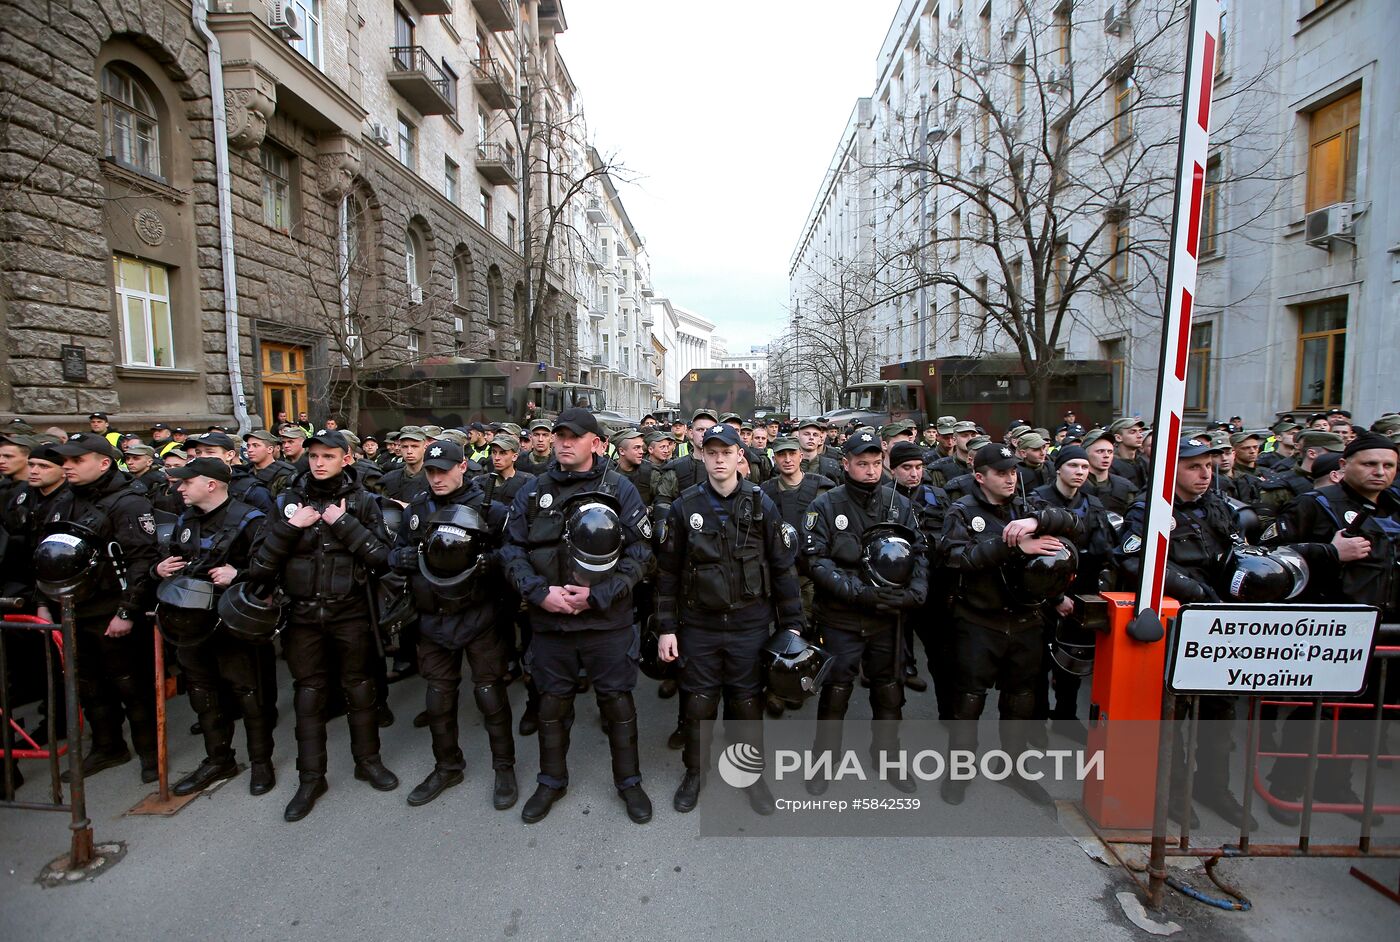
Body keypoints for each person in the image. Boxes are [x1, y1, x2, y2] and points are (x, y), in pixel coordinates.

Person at [499, 408, 654, 824]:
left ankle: (629, 782)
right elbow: (511, 549)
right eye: (560, 435)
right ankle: (551, 781)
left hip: (606, 621)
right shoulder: (533, 491)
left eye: (574, 436)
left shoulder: (619, 489)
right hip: (552, 622)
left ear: (596, 443)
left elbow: (640, 554)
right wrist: (538, 593)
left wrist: (599, 596)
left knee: (617, 703)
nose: (564, 442)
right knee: (552, 704)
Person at [247, 430, 397, 822]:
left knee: (360, 689)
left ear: (346, 458)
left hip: (350, 613)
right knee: (309, 695)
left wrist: (344, 523)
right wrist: (291, 526)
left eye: (328, 456)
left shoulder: (363, 501)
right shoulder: (287, 501)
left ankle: (368, 761)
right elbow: (260, 564)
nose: (318, 463)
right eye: (313, 456)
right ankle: (311, 778)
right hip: (301, 616)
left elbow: (384, 558)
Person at [655, 424, 803, 814]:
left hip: (750, 625)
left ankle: (750, 777)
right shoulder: (685, 506)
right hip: (699, 625)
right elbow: (668, 573)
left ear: (741, 455)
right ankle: (694, 773)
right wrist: (666, 628)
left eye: (727, 452)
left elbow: (783, 567)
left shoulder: (760, 503)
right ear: (701, 455)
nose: (719, 459)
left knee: (746, 706)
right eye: (712, 452)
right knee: (698, 705)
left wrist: (792, 627)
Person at [1262, 432, 1398, 825]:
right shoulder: (1316, 505)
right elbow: (1271, 555)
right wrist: (1329, 553)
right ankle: (1287, 785)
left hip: (1385, 632)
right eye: (1369, 464)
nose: (1379, 472)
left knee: (1366, 716)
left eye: (1388, 465)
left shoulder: (1395, 508)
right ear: (1344, 467)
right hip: (1331, 631)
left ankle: (1337, 783)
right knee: (1316, 714)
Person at [940, 442, 1083, 806]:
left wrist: (1037, 522)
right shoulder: (961, 510)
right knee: (969, 700)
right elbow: (959, 559)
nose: (1009, 478)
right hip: (979, 620)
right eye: (1001, 473)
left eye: (1013, 471)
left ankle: (1015, 768)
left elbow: (1075, 522)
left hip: (1025, 620)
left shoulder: (1026, 506)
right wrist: (1015, 545)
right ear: (979, 476)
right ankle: (959, 770)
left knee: (1021, 698)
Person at [390, 439, 518, 810]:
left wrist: (483, 562)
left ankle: (504, 767)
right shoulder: (418, 507)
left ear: (463, 467)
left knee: (489, 693)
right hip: (433, 618)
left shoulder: (491, 509)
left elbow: (511, 555)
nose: (436, 478)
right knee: (438, 697)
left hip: (477, 615)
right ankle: (447, 766)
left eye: (443, 470)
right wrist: (415, 557)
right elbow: (394, 552)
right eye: (430, 471)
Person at [802, 429, 928, 795]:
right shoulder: (826, 505)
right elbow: (816, 561)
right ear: (846, 464)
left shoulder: (897, 504)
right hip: (842, 616)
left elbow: (919, 551)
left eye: (876, 464)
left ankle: (887, 756)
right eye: (862, 464)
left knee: (889, 691)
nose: (871, 471)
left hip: (888, 616)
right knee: (836, 691)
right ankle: (825, 762)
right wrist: (859, 594)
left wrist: (916, 593)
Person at [37, 432, 159, 783]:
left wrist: (126, 612)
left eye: (77, 461)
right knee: (88, 686)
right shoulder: (63, 500)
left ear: (103, 463)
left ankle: (150, 752)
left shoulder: (128, 502)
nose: (68, 467)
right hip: (73, 608)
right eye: (65, 462)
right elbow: (48, 555)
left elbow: (141, 562)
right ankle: (108, 746)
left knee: (131, 686)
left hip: (111, 610)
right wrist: (44, 603)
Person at [154, 458, 274, 797]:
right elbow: (174, 556)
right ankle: (218, 759)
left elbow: (271, 570)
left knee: (248, 694)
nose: (179, 488)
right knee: (202, 695)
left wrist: (241, 575)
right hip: (190, 623)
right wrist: (160, 568)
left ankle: (261, 762)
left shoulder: (250, 520)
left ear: (211, 484)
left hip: (232, 622)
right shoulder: (186, 519)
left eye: (186, 482)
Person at [1028, 446, 1117, 741]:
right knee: (1039, 660)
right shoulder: (1037, 499)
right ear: (1059, 468)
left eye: (1084, 466)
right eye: (1073, 466)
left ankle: (1065, 716)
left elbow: (1102, 550)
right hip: (1042, 592)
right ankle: (1037, 720)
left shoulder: (1092, 503)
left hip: (1082, 592)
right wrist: (1055, 597)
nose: (1080, 472)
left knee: (1073, 658)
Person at [759, 436, 836, 715]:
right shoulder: (765, 492)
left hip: (812, 572)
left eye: (792, 453)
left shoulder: (821, 489)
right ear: (775, 459)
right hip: (778, 572)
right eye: (781, 455)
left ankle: (802, 680)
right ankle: (778, 686)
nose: (787, 459)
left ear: (801, 455)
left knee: (809, 628)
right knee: (779, 629)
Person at [887, 441, 951, 704]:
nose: (914, 473)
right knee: (898, 635)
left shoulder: (938, 495)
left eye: (918, 467)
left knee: (940, 647)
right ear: (893, 470)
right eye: (906, 468)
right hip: (898, 578)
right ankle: (904, 668)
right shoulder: (884, 496)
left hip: (933, 578)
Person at [1081, 430, 1136, 515]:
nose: (1106, 456)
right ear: (1085, 453)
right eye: (1100, 451)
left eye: (1110, 452)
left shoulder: (1125, 486)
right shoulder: (1074, 485)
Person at [377, 426, 431, 506]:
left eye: (414, 446)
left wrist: (406, 507)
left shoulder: (436, 479)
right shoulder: (388, 480)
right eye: (405, 447)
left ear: (425, 447)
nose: (409, 451)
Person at [244, 430, 297, 496]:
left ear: (270, 449)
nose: (249, 450)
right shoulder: (245, 471)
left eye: (255, 446)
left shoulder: (284, 475)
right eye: (248, 446)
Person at [926, 421, 978, 488]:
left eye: (973, 435)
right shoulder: (940, 469)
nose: (970, 439)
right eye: (964, 435)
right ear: (954, 440)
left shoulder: (985, 465)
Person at [1107, 418, 1150, 489]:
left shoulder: (1143, 462)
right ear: (1118, 438)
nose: (1140, 436)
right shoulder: (1110, 465)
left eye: (1140, 431)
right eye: (1133, 432)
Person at [1015, 432, 1056, 496]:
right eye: (1036, 449)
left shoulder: (1052, 467)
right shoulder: (1016, 473)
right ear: (1023, 453)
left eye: (1043, 448)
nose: (1042, 453)